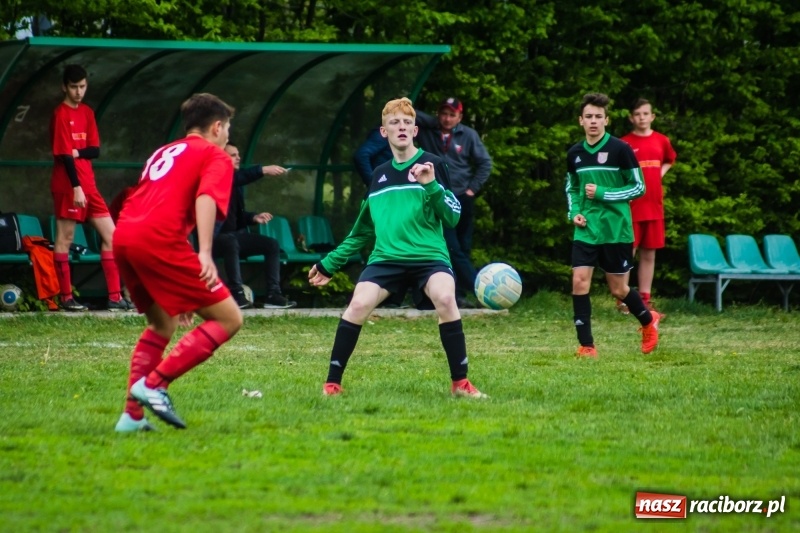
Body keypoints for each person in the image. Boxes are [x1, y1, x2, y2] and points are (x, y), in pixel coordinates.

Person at [308, 97, 486, 399]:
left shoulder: (434, 164)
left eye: (406, 123)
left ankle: (461, 384)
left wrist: (430, 184)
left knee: (445, 297)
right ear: (383, 132)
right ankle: (332, 384)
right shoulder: (379, 175)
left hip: (429, 258)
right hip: (386, 259)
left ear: (415, 130)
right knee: (358, 305)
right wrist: (329, 263)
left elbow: (452, 217)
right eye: (394, 122)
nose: (401, 127)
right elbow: (362, 231)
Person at [112, 93, 243, 432]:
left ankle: (132, 416)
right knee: (229, 318)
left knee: (162, 324)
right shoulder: (215, 155)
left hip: (125, 236)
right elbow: (205, 197)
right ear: (217, 127)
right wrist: (204, 252)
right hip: (158, 239)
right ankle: (154, 385)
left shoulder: (163, 151)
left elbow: (156, 201)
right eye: (228, 128)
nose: (228, 135)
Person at [565, 92, 661, 358]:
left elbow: (639, 186)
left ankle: (648, 320)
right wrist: (574, 212)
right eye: (588, 117)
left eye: (598, 117)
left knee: (618, 290)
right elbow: (572, 187)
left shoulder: (621, 149)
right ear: (580, 121)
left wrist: (604, 193)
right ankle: (587, 346)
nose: (593, 121)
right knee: (579, 282)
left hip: (616, 229)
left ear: (606, 120)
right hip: (586, 229)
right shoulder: (575, 153)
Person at [50, 64, 133, 312]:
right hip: (68, 185)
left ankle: (115, 297)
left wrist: (78, 152)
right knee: (65, 238)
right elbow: (64, 156)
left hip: (89, 185)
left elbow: (95, 150)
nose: (78, 92)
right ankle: (66, 297)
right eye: (74, 87)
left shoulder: (87, 112)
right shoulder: (60, 114)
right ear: (64, 87)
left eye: (82, 86)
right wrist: (76, 186)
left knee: (113, 236)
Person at [415, 97, 492, 308]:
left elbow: (485, 163)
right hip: (439, 197)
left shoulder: (468, 135)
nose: (447, 119)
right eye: (443, 113)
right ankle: (482, 291)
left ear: (460, 117)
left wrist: (471, 190)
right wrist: (432, 121)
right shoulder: (428, 130)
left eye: (452, 114)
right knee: (452, 248)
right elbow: (410, 112)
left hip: (462, 197)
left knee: (463, 249)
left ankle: (457, 297)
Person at [213, 143, 296, 309]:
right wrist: (262, 170)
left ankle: (273, 295)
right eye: (232, 155)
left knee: (271, 244)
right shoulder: (217, 178)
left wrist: (253, 217)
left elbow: (235, 216)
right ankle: (236, 293)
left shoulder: (235, 185)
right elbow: (236, 179)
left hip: (235, 237)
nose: (238, 158)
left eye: (238, 154)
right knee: (230, 241)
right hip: (213, 240)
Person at [619, 98, 677, 314]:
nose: (642, 118)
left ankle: (644, 297)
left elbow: (670, 159)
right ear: (631, 117)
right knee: (628, 251)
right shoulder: (624, 143)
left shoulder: (662, 140)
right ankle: (624, 297)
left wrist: (658, 175)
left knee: (649, 253)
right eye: (638, 114)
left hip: (654, 206)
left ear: (652, 116)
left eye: (646, 113)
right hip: (632, 207)